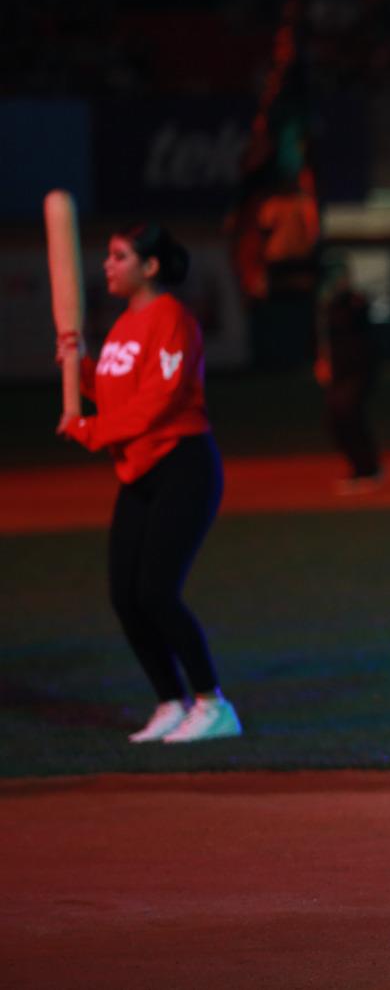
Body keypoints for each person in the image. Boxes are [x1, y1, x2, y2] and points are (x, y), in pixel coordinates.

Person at [56, 223, 242, 744]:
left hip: (184, 467)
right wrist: (80, 371)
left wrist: (92, 431)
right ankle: (169, 700)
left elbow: (160, 401)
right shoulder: (124, 325)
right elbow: (120, 393)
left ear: (150, 266)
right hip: (139, 472)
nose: (107, 265)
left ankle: (213, 703)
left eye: (119, 257)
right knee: (125, 596)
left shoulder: (173, 320)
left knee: (158, 592)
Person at [315, 259, 383, 492]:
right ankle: (361, 467)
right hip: (340, 371)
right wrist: (323, 362)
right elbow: (324, 339)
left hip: (358, 369)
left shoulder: (353, 301)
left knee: (348, 413)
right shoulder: (326, 304)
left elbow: (360, 317)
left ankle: (367, 469)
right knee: (336, 418)